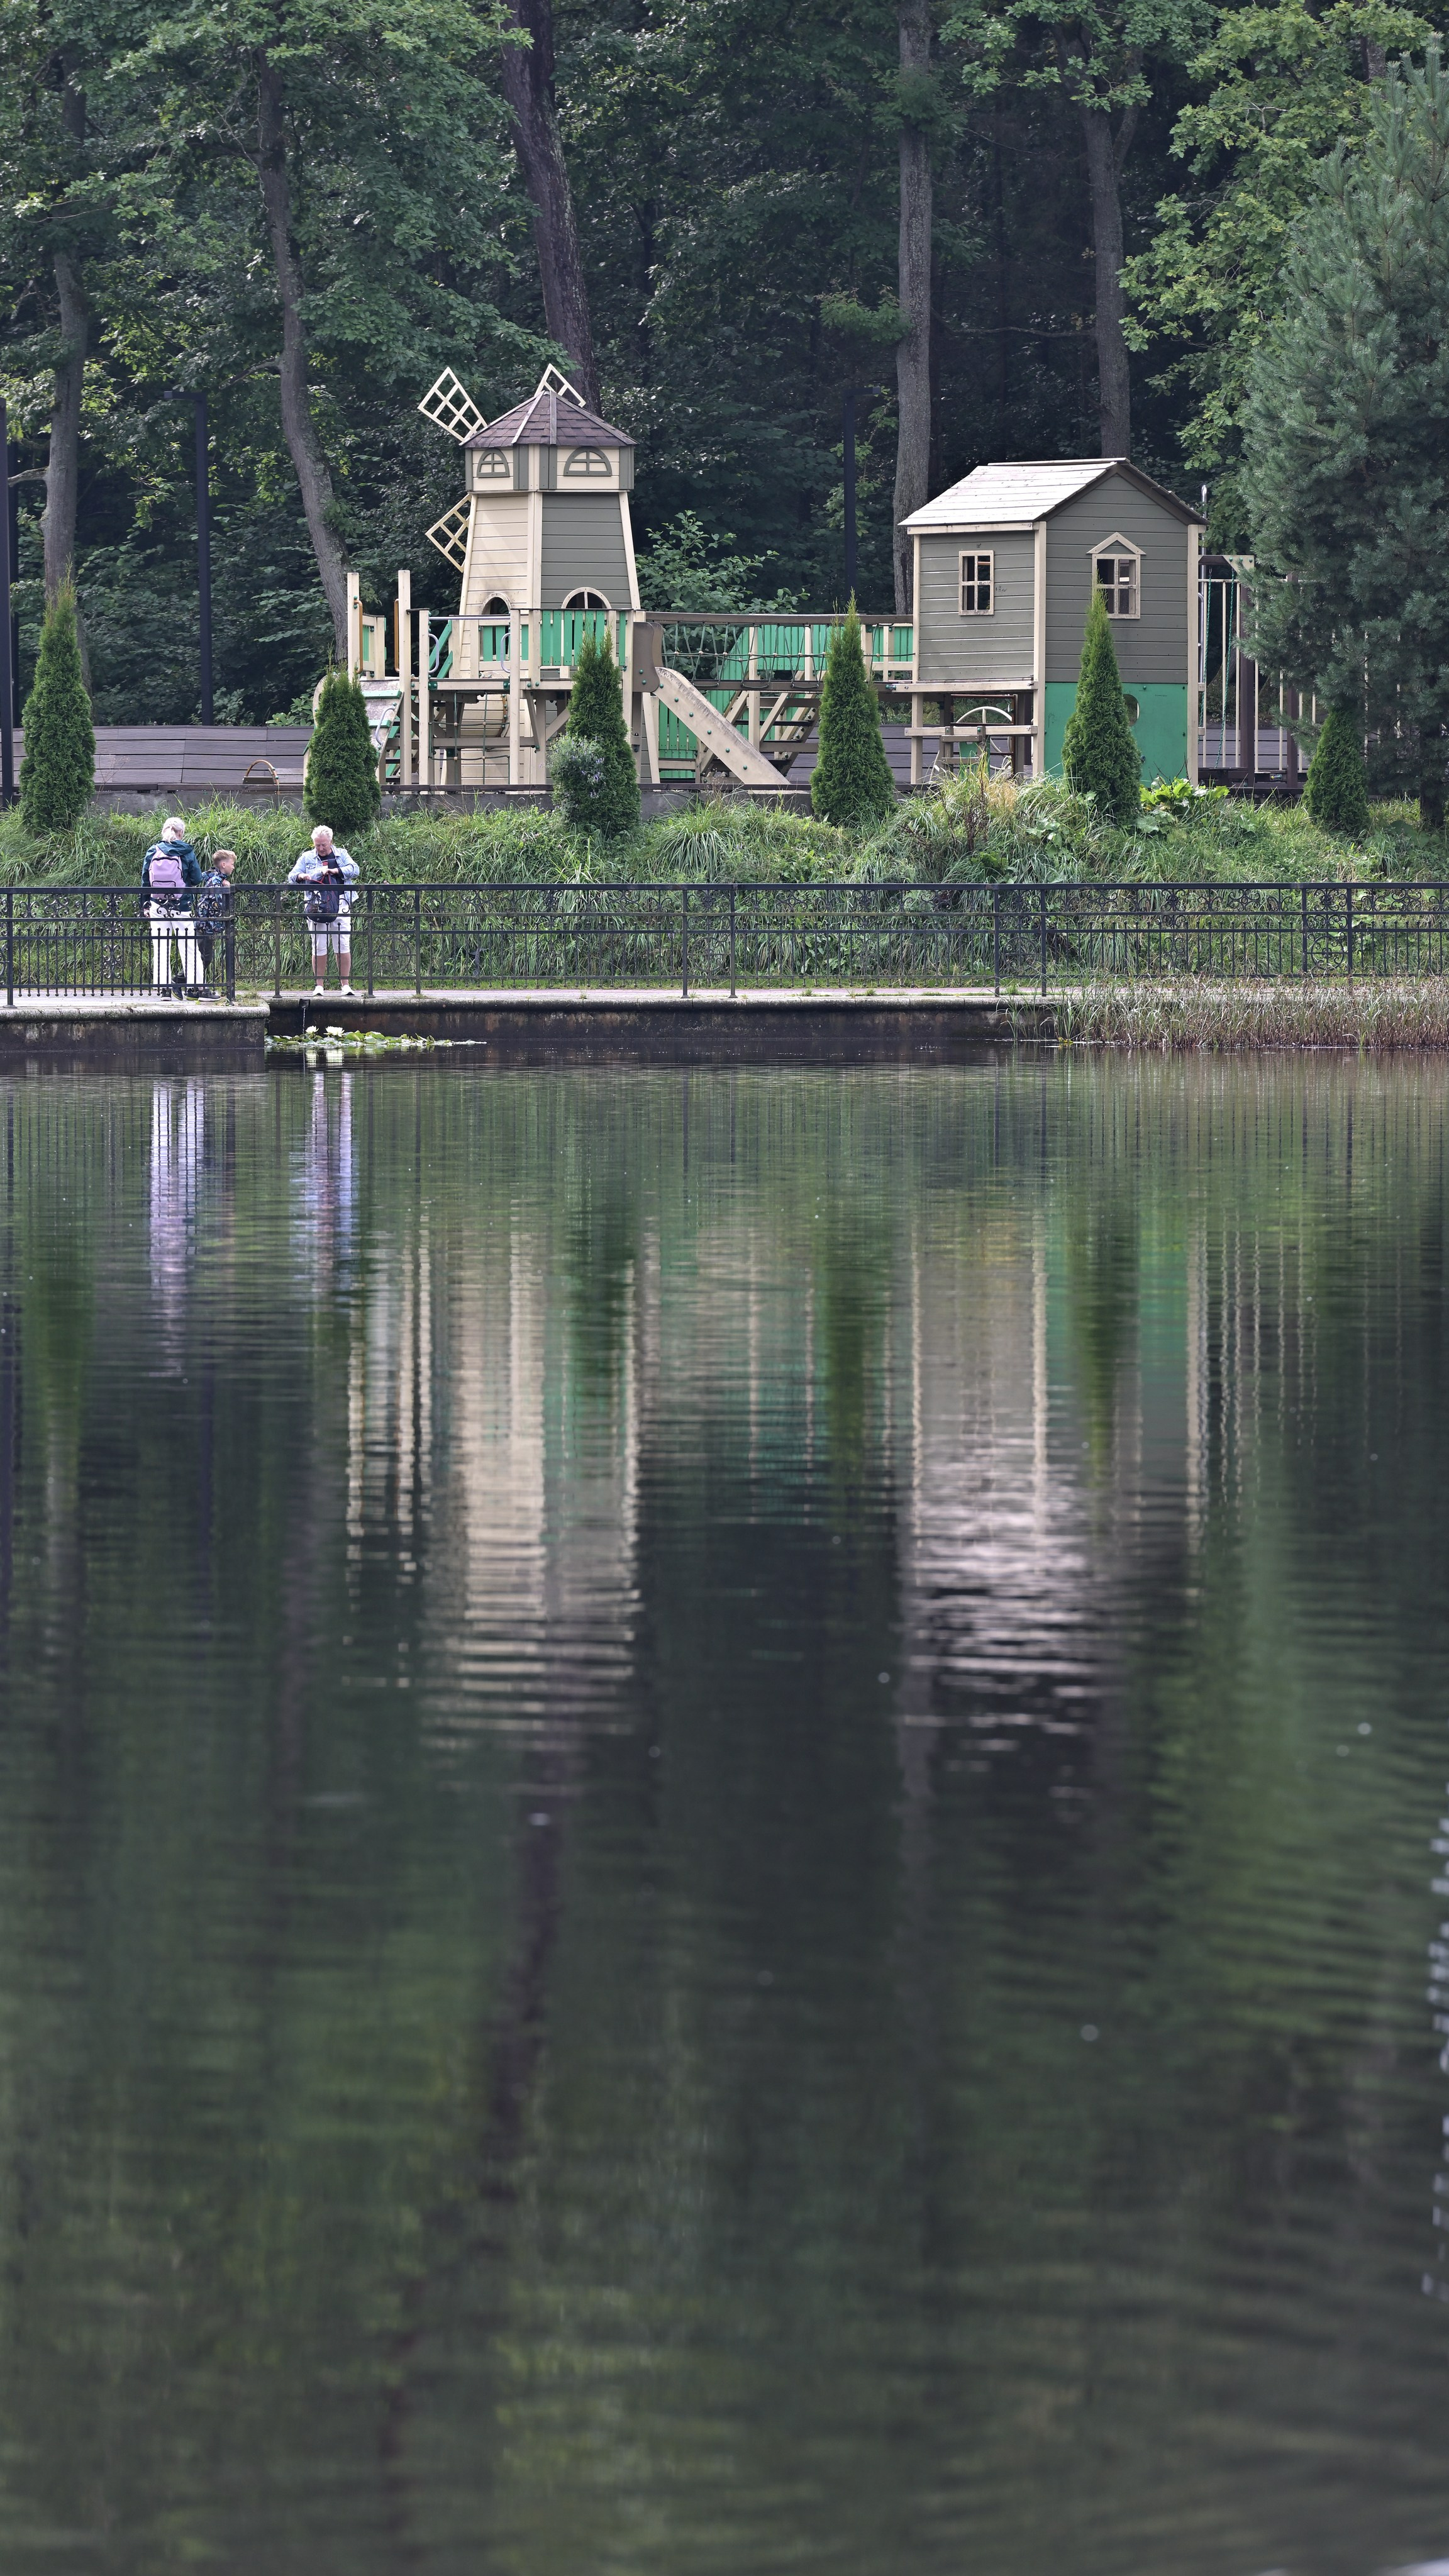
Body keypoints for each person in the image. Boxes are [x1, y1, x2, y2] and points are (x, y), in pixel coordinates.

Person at [287, 824, 359, 995]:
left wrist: (336, 871)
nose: (320, 848)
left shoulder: (342, 854)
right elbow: (291, 876)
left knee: (343, 944)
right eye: (317, 845)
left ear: (331, 842)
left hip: (341, 903)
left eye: (324, 845)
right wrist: (301, 876)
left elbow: (355, 870)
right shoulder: (307, 857)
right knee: (318, 945)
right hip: (316, 905)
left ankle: (345, 985)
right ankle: (319, 986)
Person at [140, 817, 203, 996]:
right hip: (181, 905)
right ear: (181, 833)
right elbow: (197, 879)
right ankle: (195, 988)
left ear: (164, 830)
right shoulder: (186, 851)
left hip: (157, 905)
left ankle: (164, 990)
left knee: (161, 947)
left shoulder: (153, 850)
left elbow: (145, 881)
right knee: (189, 946)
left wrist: (144, 905)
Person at [195, 848, 236, 989]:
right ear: (224, 865)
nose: (233, 867)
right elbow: (221, 905)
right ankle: (181, 982)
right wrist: (227, 892)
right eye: (232, 864)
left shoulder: (217, 879)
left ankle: (192, 985)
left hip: (208, 926)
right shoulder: (216, 881)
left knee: (204, 958)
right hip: (205, 926)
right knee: (204, 959)